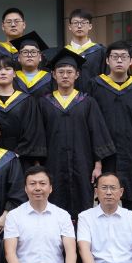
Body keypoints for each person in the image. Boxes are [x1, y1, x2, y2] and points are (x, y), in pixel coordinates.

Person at [38, 48, 115, 221]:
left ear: (77, 75)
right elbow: (38, 136)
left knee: (83, 208)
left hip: (83, 164)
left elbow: (97, 134)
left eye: (69, 72)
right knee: (54, 207)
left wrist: (98, 166)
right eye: (61, 72)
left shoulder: (87, 102)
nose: (65, 76)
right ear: (53, 75)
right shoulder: (44, 103)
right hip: (53, 164)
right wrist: (39, 166)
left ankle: (82, 238)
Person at [88, 41, 132, 216]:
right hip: (104, 153)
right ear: (107, 60)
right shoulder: (95, 86)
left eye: (124, 57)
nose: (119, 60)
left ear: (131, 61)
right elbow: (90, 121)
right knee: (104, 199)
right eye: (115, 57)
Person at [65, 8, 105, 89]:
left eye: (83, 22)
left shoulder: (101, 51)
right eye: (75, 23)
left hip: (95, 94)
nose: (79, 26)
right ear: (69, 27)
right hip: (70, 96)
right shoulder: (64, 53)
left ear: (90, 26)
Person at [11, 31, 52, 98]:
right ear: (19, 58)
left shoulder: (50, 79)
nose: (29, 55)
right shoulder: (12, 78)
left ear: (40, 57)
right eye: (25, 52)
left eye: (33, 52)